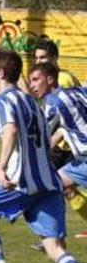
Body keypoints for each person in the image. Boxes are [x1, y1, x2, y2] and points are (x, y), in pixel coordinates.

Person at [0, 50, 86, 263]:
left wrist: (3, 166)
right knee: (54, 246)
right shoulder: (32, 101)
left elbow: (11, 130)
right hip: (48, 181)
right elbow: (41, 139)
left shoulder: (1, 101)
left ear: (1, 73)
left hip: (18, 181)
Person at [33, 38, 87, 242]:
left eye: (43, 58)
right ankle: (54, 237)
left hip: (70, 149)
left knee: (48, 186)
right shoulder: (68, 82)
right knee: (59, 184)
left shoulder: (59, 84)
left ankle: (53, 237)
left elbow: (52, 126)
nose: (38, 61)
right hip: (73, 150)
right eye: (36, 58)